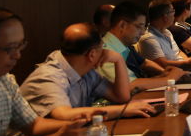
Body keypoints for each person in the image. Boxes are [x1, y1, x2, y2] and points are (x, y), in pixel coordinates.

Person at [0, 7, 87, 136]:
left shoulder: (5, 80)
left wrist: (75, 125)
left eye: (20, 45)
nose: (17, 55)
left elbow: (33, 125)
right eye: (10, 48)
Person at [21, 23, 155, 120]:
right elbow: (64, 115)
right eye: (102, 48)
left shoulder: (86, 71)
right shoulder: (49, 76)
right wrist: (122, 110)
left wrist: (119, 60)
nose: (105, 52)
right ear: (92, 54)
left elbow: (121, 97)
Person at [100, 1, 186, 91]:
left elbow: (143, 63)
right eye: (139, 27)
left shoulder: (123, 45)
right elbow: (129, 85)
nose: (142, 32)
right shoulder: (105, 50)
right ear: (122, 25)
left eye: (143, 27)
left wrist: (165, 73)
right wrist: (170, 78)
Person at [137, 0, 191, 69]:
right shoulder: (148, 39)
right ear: (165, 17)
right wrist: (186, 63)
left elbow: (178, 52)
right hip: (170, 74)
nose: (174, 14)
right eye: (172, 11)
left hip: (181, 69)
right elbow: (163, 64)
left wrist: (187, 61)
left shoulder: (167, 32)